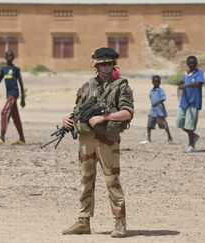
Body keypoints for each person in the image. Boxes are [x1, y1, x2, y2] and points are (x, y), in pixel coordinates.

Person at [61, 47, 134, 238]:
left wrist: (105, 117)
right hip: (87, 139)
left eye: (110, 63)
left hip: (107, 141)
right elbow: (77, 109)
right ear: (96, 65)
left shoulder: (121, 86)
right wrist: (68, 119)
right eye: (103, 64)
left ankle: (120, 223)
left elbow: (128, 112)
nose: (107, 67)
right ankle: (83, 221)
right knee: (86, 180)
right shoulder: (87, 87)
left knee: (112, 180)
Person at [176, 55, 204, 153]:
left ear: (196, 63)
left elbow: (199, 83)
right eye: (190, 63)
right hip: (184, 102)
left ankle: (191, 145)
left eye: (194, 63)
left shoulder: (199, 73)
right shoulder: (185, 74)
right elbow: (182, 85)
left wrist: (186, 85)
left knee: (189, 126)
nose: (192, 64)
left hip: (193, 103)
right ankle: (194, 136)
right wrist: (180, 84)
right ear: (187, 64)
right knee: (179, 123)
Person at [140, 75, 173, 144]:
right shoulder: (151, 91)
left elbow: (163, 98)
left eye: (158, 82)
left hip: (160, 111)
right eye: (155, 82)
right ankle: (148, 139)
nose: (156, 83)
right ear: (152, 82)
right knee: (149, 125)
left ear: (160, 82)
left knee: (163, 125)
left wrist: (157, 102)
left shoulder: (160, 90)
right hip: (152, 111)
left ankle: (169, 137)